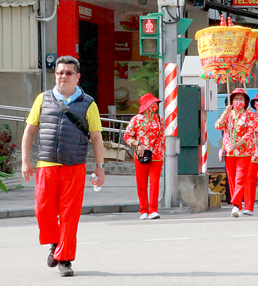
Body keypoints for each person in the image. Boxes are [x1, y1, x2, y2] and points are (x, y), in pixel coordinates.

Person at [20, 55, 105, 277]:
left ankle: (65, 259)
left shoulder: (88, 104)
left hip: (74, 166)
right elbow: (29, 130)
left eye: (68, 73)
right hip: (46, 165)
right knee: (42, 210)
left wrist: (99, 167)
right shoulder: (43, 99)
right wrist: (25, 160)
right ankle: (55, 243)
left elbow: (96, 138)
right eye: (59, 72)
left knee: (69, 214)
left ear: (77, 77)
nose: (62, 76)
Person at [124, 93, 165, 220]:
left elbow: (162, 137)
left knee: (154, 183)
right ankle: (143, 210)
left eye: (155, 104)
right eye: (152, 104)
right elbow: (127, 136)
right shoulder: (136, 119)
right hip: (141, 155)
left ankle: (153, 209)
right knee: (141, 184)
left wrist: (163, 151)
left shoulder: (159, 119)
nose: (155, 106)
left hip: (157, 155)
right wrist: (138, 144)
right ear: (146, 106)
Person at [215, 89, 252, 217]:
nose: (238, 101)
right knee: (231, 179)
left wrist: (238, 143)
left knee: (240, 178)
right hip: (229, 151)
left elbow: (250, 133)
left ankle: (235, 204)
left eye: (241, 99)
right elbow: (218, 125)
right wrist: (226, 112)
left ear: (245, 102)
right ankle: (237, 206)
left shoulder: (249, 115)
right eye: (236, 99)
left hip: (244, 151)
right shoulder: (228, 115)